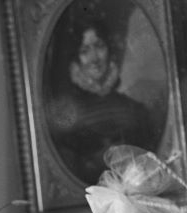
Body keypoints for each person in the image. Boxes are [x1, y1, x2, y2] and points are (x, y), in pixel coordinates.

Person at [46, 15, 160, 186]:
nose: (94, 58)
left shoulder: (133, 109)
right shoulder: (65, 116)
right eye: (85, 51)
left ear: (109, 49)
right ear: (75, 58)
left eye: (99, 46)